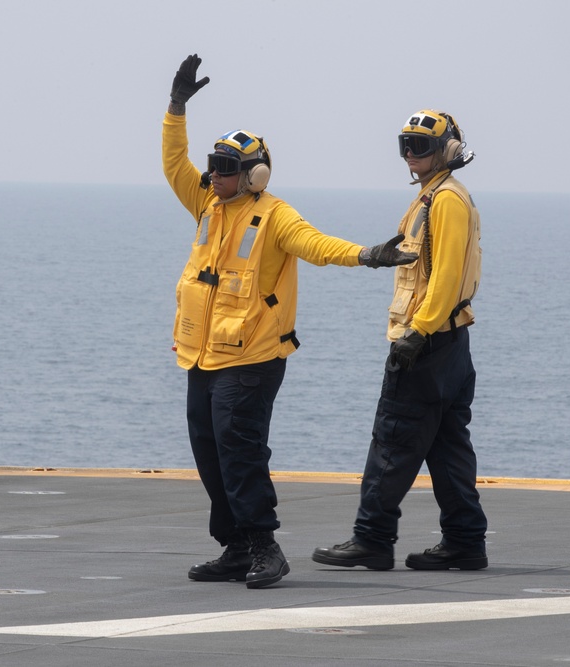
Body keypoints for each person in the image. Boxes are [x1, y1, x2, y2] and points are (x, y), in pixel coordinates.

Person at [163, 54, 417, 589]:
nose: (214, 174)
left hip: (252, 357)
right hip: (203, 354)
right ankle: (235, 547)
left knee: (240, 450)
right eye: (214, 165)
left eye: (226, 168)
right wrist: (176, 107)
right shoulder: (209, 203)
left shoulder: (276, 216)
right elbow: (173, 165)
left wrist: (368, 255)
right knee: (209, 453)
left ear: (255, 173)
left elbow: (317, 245)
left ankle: (264, 547)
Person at [312, 109, 488, 571]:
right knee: (447, 447)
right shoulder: (436, 196)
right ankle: (465, 540)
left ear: (447, 148)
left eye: (421, 146)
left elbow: (446, 277)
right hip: (451, 346)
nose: (411, 154)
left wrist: (417, 334)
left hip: (426, 345)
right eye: (405, 145)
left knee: (392, 441)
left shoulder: (445, 200)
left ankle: (372, 538)